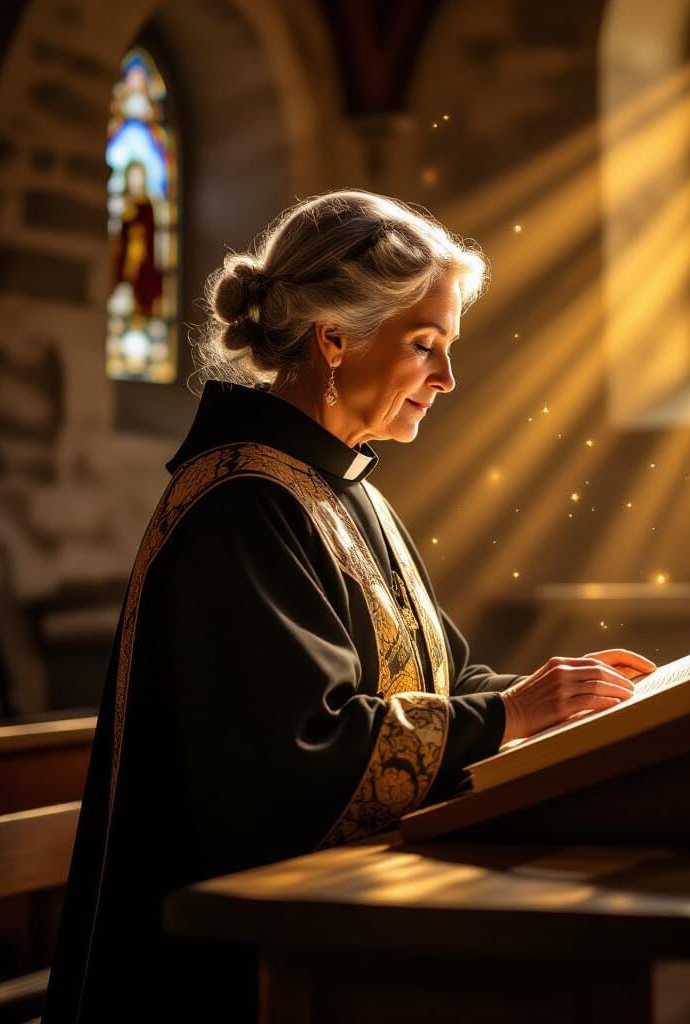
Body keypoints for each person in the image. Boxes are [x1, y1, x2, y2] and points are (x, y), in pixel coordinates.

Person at [44, 190, 655, 1022]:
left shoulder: (339, 487)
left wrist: (578, 702)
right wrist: (510, 713)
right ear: (334, 337)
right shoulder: (241, 505)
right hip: (224, 975)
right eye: (426, 346)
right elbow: (301, 759)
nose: (447, 378)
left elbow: (441, 673)